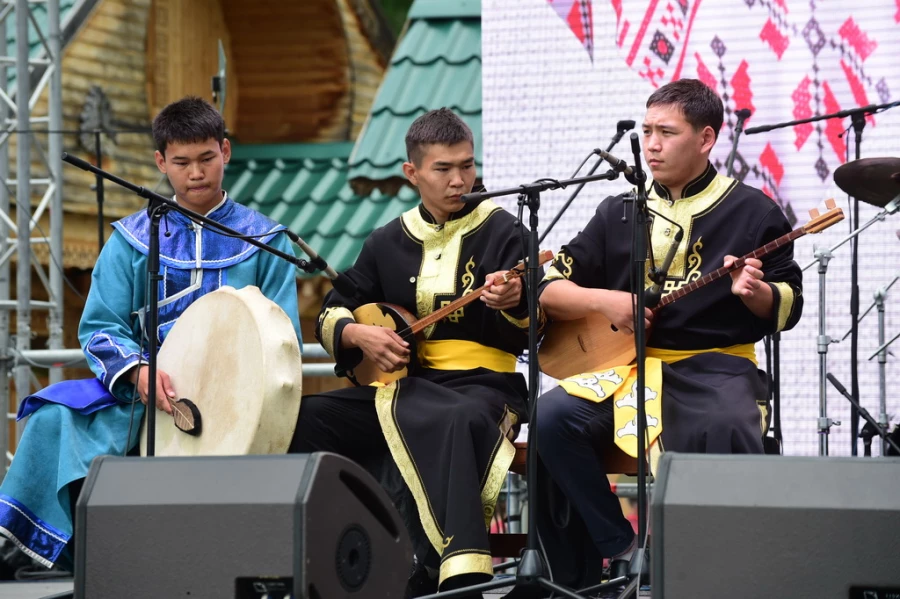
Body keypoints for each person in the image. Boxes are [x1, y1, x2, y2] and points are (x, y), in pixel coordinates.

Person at [0, 96, 302, 570]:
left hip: (236, 398)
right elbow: (101, 325)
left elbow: (284, 336)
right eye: (181, 162)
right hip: (146, 392)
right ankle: (49, 553)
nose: (196, 173)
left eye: (206, 158)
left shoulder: (265, 239)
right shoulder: (133, 239)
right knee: (53, 417)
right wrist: (138, 371)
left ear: (225, 151)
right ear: (161, 162)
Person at [535, 79, 803, 568]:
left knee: (725, 425)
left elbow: (790, 301)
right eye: (647, 131)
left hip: (714, 369)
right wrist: (608, 301)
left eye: (667, 132)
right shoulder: (619, 210)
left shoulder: (753, 211)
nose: (652, 145)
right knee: (551, 418)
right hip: (627, 371)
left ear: (705, 139)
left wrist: (757, 293)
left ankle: (722, 569)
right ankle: (619, 550)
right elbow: (549, 284)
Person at [290, 108, 535, 596]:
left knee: (458, 417)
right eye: (443, 169)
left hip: (486, 387)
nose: (459, 180)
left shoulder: (505, 230)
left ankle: (458, 571)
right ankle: (332, 557)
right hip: (405, 388)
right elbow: (330, 313)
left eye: (467, 166)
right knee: (304, 418)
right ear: (412, 173)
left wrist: (517, 301)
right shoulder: (387, 240)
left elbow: (541, 318)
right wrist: (360, 337)